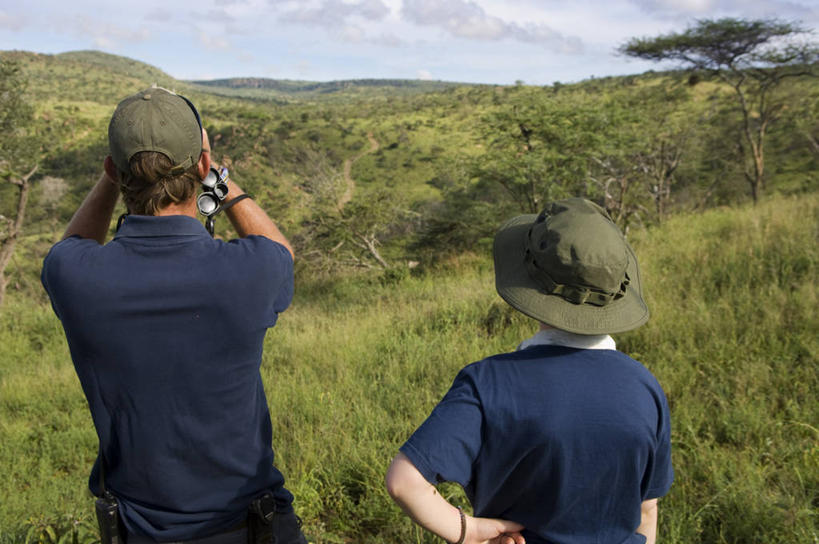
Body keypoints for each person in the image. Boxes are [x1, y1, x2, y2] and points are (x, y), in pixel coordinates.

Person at [41, 86, 308, 544]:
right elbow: (280, 251)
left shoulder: (74, 277)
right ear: (201, 166)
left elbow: (72, 246)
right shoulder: (249, 272)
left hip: (137, 531)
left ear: (112, 169)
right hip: (249, 527)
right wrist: (218, 179)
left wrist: (112, 177)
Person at [386, 198, 673, 544]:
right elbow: (647, 509)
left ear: (531, 288)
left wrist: (470, 532)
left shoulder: (486, 384)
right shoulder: (645, 387)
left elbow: (405, 482)